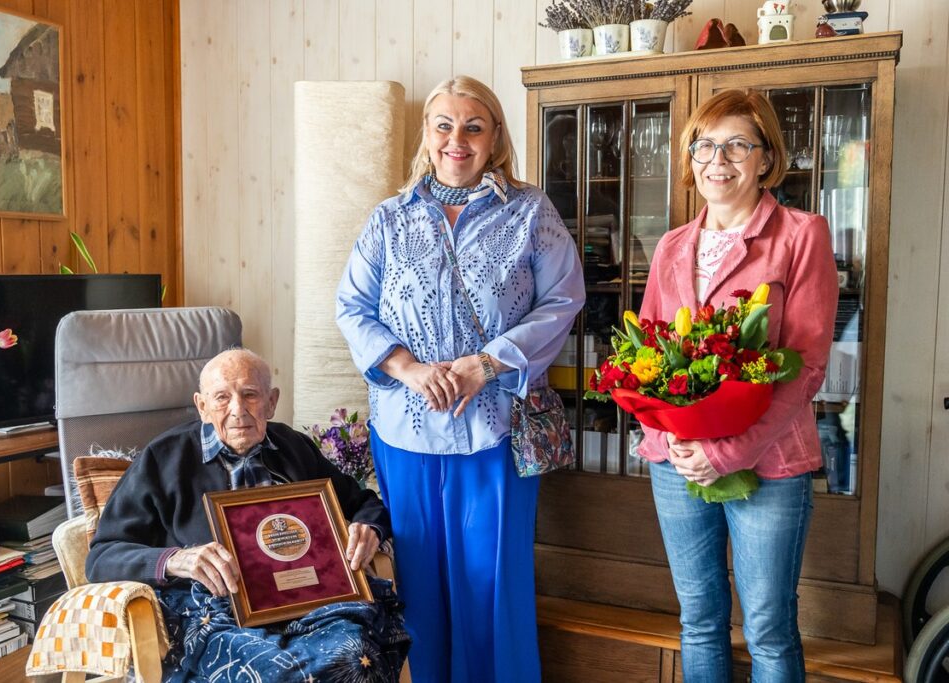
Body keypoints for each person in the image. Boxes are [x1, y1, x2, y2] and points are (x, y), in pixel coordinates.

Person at [335, 75, 585, 683]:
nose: (457, 139)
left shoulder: (530, 212)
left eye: (473, 126)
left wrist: (487, 363)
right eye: (444, 125)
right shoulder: (389, 219)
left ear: (495, 136)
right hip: (405, 433)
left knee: (490, 588)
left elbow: (564, 300)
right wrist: (408, 368)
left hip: (493, 433)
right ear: (427, 135)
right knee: (417, 590)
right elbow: (351, 307)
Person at [636, 89, 838, 682]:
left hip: (769, 463)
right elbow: (643, 355)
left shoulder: (802, 235)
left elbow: (806, 364)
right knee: (698, 619)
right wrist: (668, 435)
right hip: (674, 463)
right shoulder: (673, 244)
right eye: (704, 145)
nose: (716, 160)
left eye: (736, 145)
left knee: (768, 629)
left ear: (766, 158)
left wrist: (727, 451)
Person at [86, 348, 409, 683]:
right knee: (270, 671)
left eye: (250, 395)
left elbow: (364, 503)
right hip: (214, 610)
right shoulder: (164, 458)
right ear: (202, 406)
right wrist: (177, 559)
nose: (237, 411)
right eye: (222, 397)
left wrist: (368, 527)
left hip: (308, 602)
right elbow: (102, 556)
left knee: (356, 656)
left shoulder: (293, 446)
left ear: (271, 402)